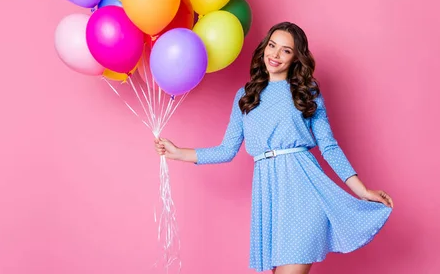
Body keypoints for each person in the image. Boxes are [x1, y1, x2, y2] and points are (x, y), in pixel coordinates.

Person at [155, 22, 393, 274]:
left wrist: (363, 190)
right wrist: (179, 153)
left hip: (304, 190)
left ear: (296, 58)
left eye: (286, 50)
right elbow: (227, 150)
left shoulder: (307, 92)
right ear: (264, 48)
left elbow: (329, 147)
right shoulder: (245, 96)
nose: (275, 55)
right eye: (272, 46)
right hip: (268, 194)